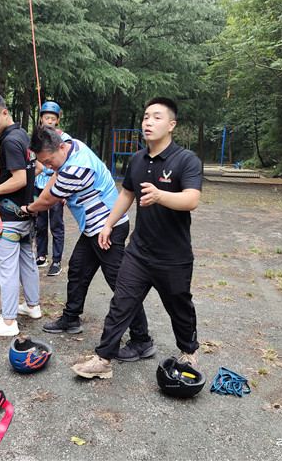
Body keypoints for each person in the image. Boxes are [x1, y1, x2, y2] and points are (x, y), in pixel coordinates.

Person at [71, 97, 203, 380]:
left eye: (156, 117)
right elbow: (127, 194)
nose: (148, 122)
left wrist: (160, 195)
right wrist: (107, 225)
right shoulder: (137, 160)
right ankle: (103, 359)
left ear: (171, 125)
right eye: (145, 117)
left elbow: (192, 199)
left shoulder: (186, 160)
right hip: (139, 252)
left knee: (180, 307)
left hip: (174, 256)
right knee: (121, 303)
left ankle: (188, 353)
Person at [21, 126, 153, 356]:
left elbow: (47, 201)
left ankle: (142, 340)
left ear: (60, 148)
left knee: (122, 285)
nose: (49, 166)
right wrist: (51, 171)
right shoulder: (72, 144)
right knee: (78, 269)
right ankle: (71, 318)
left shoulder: (75, 169)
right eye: (43, 161)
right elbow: (54, 175)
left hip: (109, 229)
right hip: (93, 228)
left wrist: (29, 208)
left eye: (49, 161)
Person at [0, 92, 40, 337]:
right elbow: (37, 167)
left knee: (7, 269)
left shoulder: (10, 141)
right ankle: (32, 306)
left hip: (10, 218)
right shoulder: (23, 136)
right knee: (27, 261)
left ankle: (9, 321)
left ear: (5, 112)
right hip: (25, 216)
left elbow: (20, 178)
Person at [34, 102, 69, 276]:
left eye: (53, 118)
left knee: (56, 224)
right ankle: (41, 255)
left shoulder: (63, 138)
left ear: (57, 121)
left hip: (57, 185)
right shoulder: (36, 138)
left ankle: (56, 260)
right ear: (41, 118)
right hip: (39, 185)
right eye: (46, 117)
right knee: (40, 224)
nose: (49, 121)